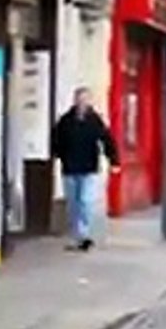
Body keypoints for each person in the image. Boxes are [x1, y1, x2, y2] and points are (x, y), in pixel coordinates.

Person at [50, 86, 117, 251]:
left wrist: (114, 160)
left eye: (86, 99)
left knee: (85, 202)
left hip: (89, 168)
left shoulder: (95, 120)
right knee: (73, 204)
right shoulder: (65, 121)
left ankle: (83, 235)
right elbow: (56, 139)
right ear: (75, 101)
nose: (82, 102)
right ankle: (76, 235)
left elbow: (106, 140)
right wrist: (59, 155)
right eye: (80, 99)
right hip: (70, 168)